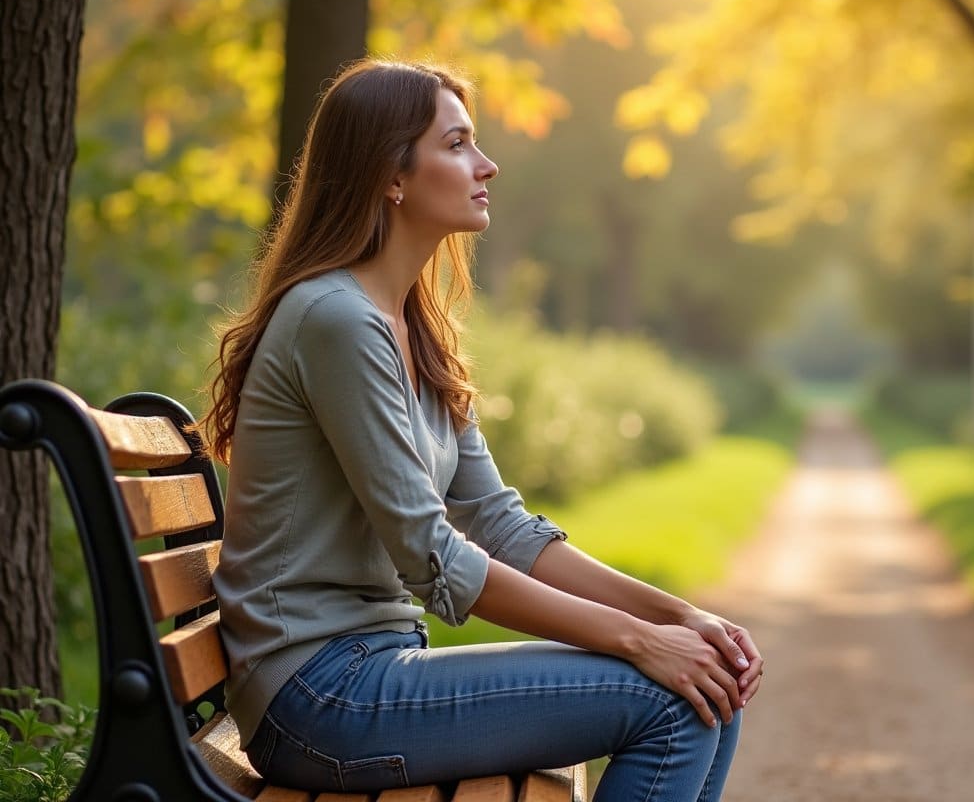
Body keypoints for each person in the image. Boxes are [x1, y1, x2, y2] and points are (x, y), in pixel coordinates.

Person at [199, 58, 763, 801]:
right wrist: (637, 641)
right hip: (317, 697)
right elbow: (431, 556)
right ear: (391, 176)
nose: (486, 165)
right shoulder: (336, 320)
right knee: (672, 702)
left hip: (367, 672)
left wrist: (677, 615)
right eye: (458, 143)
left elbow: (501, 527)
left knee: (703, 685)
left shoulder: (410, 327)